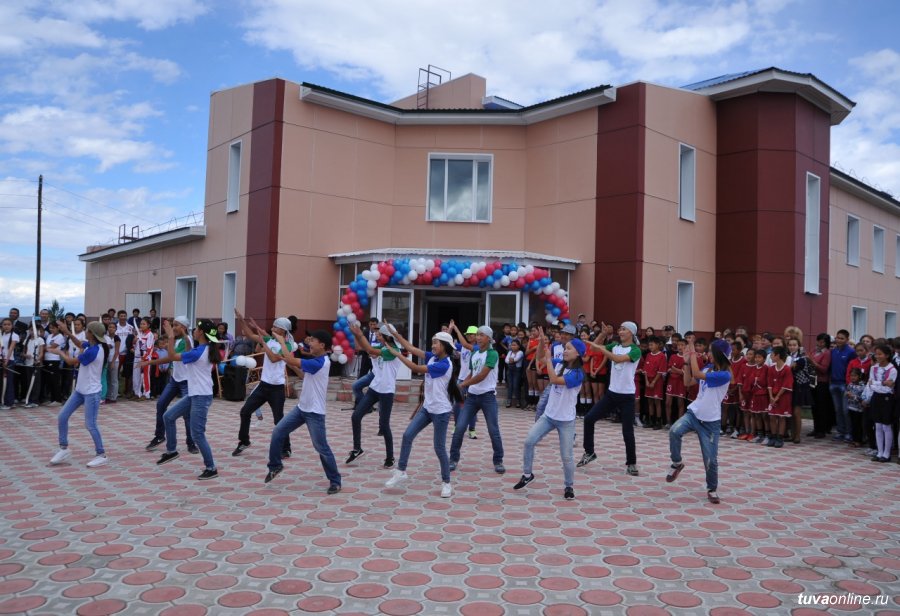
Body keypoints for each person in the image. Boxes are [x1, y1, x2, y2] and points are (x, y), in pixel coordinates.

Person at [384, 330, 462, 497]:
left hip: (441, 412)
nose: (433, 346)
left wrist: (396, 353)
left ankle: (446, 483)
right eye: (432, 342)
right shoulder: (433, 357)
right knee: (407, 435)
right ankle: (401, 471)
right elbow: (411, 348)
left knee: (439, 448)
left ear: (445, 346)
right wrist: (395, 334)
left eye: (436, 343)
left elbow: (415, 367)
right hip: (427, 408)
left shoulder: (444, 364)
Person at [263, 329, 341, 495]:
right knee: (278, 432)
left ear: (322, 345)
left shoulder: (320, 362)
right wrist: (290, 362)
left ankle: (335, 481)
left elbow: (291, 358)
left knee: (321, 447)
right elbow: (304, 375)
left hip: (314, 413)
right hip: (301, 409)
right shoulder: (316, 361)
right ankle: (275, 466)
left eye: (312, 340)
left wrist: (282, 343)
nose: (309, 343)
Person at [514, 329, 585, 500]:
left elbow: (554, 380)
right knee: (529, 441)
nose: (565, 350)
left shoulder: (578, 374)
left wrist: (549, 360)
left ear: (578, 354)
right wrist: (541, 342)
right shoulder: (559, 363)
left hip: (566, 421)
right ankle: (527, 474)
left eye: (569, 348)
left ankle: (569, 486)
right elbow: (539, 358)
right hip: (549, 416)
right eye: (565, 347)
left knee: (566, 457)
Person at [666, 338, 733, 504]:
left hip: (711, 422)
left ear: (719, 354)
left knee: (710, 459)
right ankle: (677, 463)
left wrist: (692, 354)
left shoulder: (725, 374)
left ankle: (712, 489)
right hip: (694, 414)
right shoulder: (708, 367)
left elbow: (697, 374)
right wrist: (687, 363)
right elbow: (688, 381)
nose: (708, 353)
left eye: (711, 351)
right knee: (674, 431)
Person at [155, 319, 220, 480]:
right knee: (168, 416)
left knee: (198, 434)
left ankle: (211, 468)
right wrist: (182, 335)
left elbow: (171, 355)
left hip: (200, 397)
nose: (194, 331)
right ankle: (171, 451)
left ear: (202, 334)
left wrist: (171, 336)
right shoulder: (202, 349)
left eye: (197, 329)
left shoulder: (198, 353)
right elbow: (189, 348)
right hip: (195, 394)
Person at [579, 321, 642, 476]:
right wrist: (602, 334)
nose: (620, 331)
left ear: (631, 333)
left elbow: (618, 359)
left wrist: (604, 349)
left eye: (624, 329)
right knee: (589, 419)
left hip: (627, 396)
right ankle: (589, 452)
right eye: (620, 329)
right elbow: (593, 348)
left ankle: (631, 463)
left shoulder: (635, 350)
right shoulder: (614, 345)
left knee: (627, 430)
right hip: (612, 394)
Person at [232, 312, 296, 459]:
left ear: (283, 330)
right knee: (245, 411)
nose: (272, 328)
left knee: (279, 420)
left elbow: (273, 358)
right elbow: (249, 334)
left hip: (277, 388)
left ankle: (286, 448)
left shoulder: (286, 345)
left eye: (276, 326)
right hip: (264, 385)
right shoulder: (269, 339)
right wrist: (241, 320)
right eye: (273, 325)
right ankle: (244, 441)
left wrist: (263, 342)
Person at [49, 321, 110, 468]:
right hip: (80, 391)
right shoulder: (94, 345)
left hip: (92, 393)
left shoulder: (93, 351)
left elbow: (71, 362)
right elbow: (80, 343)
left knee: (90, 425)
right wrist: (68, 333)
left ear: (92, 334)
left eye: (87, 330)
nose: (85, 332)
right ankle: (64, 448)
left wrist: (59, 353)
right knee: (62, 416)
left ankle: (101, 455)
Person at [449, 325, 504, 474]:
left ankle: (498, 461)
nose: (478, 338)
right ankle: (453, 459)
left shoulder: (492, 354)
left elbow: (481, 376)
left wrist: (462, 384)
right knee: (459, 428)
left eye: (481, 335)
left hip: (488, 397)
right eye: (477, 335)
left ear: (489, 338)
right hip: (472, 397)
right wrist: (462, 385)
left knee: (493, 430)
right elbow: (472, 374)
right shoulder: (475, 354)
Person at [346, 323, 400, 467]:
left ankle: (390, 457)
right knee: (356, 416)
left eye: (380, 335)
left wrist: (360, 334)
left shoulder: (393, 350)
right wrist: (356, 335)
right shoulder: (382, 348)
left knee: (384, 425)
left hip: (387, 392)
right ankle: (357, 449)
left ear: (387, 337)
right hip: (374, 388)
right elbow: (363, 348)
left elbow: (369, 349)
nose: (378, 337)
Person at [141, 317, 196, 454]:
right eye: (173, 325)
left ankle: (191, 442)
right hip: (175, 380)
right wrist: (150, 363)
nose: (173, 327)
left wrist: (169, 339)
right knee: (161, 404)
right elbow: (171, 357)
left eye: (176, 325)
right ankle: (160, 436)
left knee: (187, 414)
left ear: (183, 327)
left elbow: (172, 356)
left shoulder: (187, 340)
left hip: (186, 382)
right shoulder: (178, 340)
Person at [449, 321, 479, 439]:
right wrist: (451, 329)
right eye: (468, 334)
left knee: (471, 406)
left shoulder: (476, 348)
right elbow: (448, 342)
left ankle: (472, 429)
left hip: (473, 381)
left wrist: (457, 330)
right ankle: (457, 426)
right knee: (457, 404)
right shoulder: (462, 346)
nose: (469, 336)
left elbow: (465, 345)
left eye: (472, 334)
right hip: (461, 379)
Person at [867, 345, 897, 462]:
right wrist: (881, 383)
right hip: (876, 397)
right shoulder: (873, 368)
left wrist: (877, 383)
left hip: (887, 399)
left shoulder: (892, 369)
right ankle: (879, 452)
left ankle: (887, 453)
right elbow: (871, 384)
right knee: (877, 425)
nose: (877, 356)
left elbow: (890, 387)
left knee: (886, 425)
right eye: (876, 354)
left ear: (887, 355)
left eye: (880, 354)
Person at [829, 329, 855, 443]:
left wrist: (849, 384)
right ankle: (840, 431)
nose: (839, 340)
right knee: (837, 410)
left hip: (844, 384)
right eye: (837, 338)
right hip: (834, 383)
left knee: (845, 410)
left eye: (842, 338)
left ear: (847, 340)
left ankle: (849, 433)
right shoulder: (833, 351)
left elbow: (852, 369)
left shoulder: (851, 352)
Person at [765, 346, 793, 448]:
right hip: (773, 396)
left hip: (783, 397)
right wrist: (771, 396)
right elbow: (769, 384)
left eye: (772, 355)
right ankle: (773, 436)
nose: (771, 356)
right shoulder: (771, 369)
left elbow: (786, 385)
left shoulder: (787, 369)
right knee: (772, 416)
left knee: (781, 417)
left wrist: (777, 397)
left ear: (778, 356)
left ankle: (780, 438)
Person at [350, 317, 380, 408]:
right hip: (365, 359)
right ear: (368, 325)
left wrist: (372, 350)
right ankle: (357, 404)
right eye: (371, 324)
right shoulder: (365, 333)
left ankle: (371, 403)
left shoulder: (380, 334)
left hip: (376, 360)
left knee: (375, 381)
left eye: (374, 324)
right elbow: (358, 346)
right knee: (360, 379)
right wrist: (368, 349)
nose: (372, 326)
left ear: (377, 325)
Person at [22, 323, 44, 408]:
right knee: (29, 382)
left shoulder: (40, 339)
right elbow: (23, 352)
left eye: (34, 330)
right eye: (31, 330)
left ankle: (35, 400)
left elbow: (41, 352)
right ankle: (29, 398)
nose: (32, 331)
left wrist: (38, 360)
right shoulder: (27, 340)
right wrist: (25, 355)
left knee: (36, 383)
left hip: (36, 364)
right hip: (28, 364)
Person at [132, 318, 155, 400]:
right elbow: (135, 346)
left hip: (145, 358)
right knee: (136, 376)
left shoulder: (150, 334)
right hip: (137, 357)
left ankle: (146, 394)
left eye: (144, 324)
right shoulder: (139, 334)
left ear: (148, 325)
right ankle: (137, 393)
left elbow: (150, 348)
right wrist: (134, 342)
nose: (141, 325)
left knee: (145, 376)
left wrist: (144, 358)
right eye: (141, 324)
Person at [0, 318, 20, 409]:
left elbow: (11, 349)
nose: (6, 326)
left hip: (9, 360)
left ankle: (9, 402)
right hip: (1, 360)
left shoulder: (14, 336)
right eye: (4, 324)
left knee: (8, 382)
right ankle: (2, 401)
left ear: (12, 326)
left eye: (8, 324)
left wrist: (6, 360)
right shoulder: (1, 335)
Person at [505, 339, 524, 408]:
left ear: (518, 346)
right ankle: (509, 400)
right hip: (509, 371)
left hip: (517, 371)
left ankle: (518, 400)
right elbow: (506, 360)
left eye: (514, 345)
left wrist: (512, 360)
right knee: (510, 386)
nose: (512, 346)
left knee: (516, 386)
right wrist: (512, 360)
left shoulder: (520, 352)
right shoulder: (509, 352)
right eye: (512, 345)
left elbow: (516, 359)